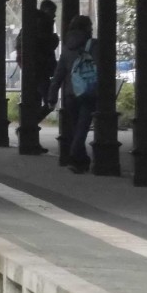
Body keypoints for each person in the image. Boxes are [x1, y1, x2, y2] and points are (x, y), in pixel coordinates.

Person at [47, 14, 95, 174]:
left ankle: (81, 162)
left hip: (70, 94)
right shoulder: (93, 45)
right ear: (87, 28)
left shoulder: (67, 48)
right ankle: (75, 155)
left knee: (76, 127)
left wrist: (52, 96)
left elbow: (59, 73)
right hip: (88, 92)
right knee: (82, 128)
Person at [15, 0, 59, 120]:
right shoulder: (45, 23)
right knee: (49, 100)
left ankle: (28, 124)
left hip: (33, 67)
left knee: (34, 99)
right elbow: (45, 46)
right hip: (40, 67)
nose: (54, 15)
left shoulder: (31, 22)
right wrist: (55, 40)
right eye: (53, 12)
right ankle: (30, 124)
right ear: (47, 10)